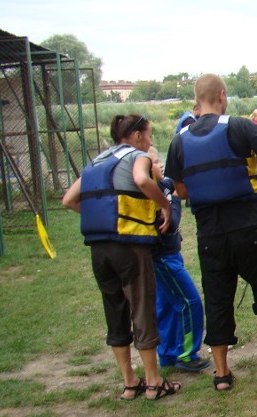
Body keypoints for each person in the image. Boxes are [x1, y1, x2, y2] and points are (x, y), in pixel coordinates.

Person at [165, 73, 257, 390]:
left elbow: (180, 191)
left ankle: (222, 374)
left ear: (198, 99)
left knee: (218, 300)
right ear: (222, 95)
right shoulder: (238, 126)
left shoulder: (179, 140)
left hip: (210, 234)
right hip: (248, 225)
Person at [62, 114, 181, 400]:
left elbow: (68, 200)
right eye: (149, 135)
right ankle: (153, 383)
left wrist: (100, 217)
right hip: (129, 245)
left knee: (114, 311)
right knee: (141, 308)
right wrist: (164, 205)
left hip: (99, 249)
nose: (150, 141)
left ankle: (130, 383)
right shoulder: (136, 156)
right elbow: (141, 179)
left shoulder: (96, 162)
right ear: (137, 135)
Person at [147, 147, 210, 373]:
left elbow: (178, 185)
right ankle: (187, 353)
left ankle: (167, 354)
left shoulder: (162, 186)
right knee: (189, 302)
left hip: (170, 254)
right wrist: (173, 200)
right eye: (154, 161)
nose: (160, 164)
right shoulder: (149, 193)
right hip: (163, 257)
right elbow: (170, 223)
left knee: (166, 305)